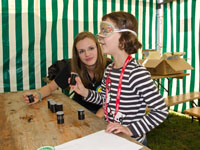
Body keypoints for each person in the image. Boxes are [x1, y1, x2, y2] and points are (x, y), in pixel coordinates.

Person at [70, 11, 168, 145]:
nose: (99, 36)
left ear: (124, 38)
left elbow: (160, 111)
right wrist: (84, 92)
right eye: (100, 31)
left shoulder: (136, 73)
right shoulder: (109, 69)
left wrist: (130, 129)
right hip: (114, 137)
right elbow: (105, 99)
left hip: (132, 142)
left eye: (106, 31)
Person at [23, 31, 112, 115]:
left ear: (98, 48)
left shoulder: (110, 67)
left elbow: (112, 102)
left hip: (103, 115)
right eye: (81, 51)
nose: (87, 54)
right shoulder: (72, 67)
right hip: (79, 112)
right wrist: (38, 95)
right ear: (77, 54)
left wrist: (97, 119)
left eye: (91, 48)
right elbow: (50, 87)